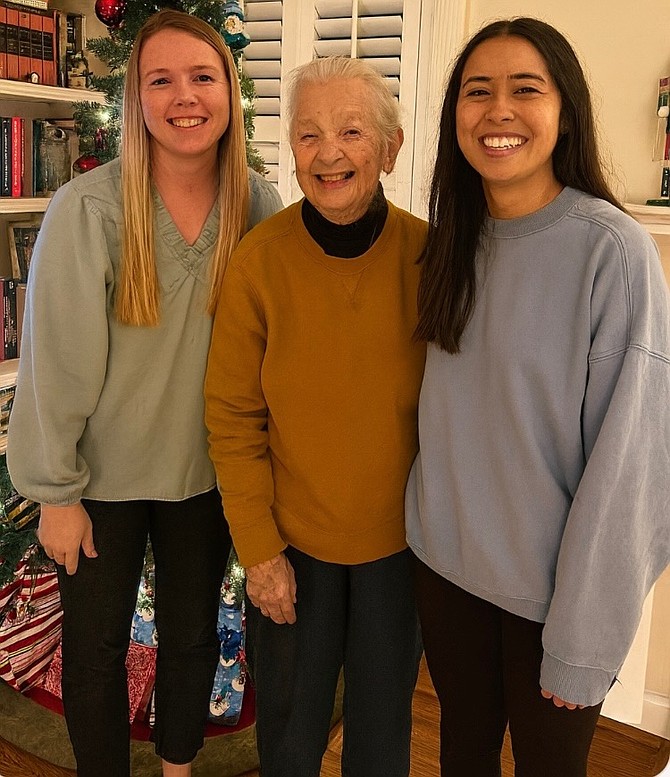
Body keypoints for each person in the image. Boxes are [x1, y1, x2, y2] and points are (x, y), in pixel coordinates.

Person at [7, 10, 281, 777]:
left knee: (192, 637)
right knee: (95, 646)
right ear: (136, 99)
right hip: (99, 487)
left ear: (231, 92)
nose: (183, 96)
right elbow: (54, 366)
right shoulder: (88, 210)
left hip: (205, 476)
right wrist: (55, 491)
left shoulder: (260, 209)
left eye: (202, 77)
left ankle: (178, 768)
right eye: (160, 79)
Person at [405, 16, 670, 777]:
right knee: (462, 757)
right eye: (476, 91)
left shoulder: (611, 252)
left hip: (553, 604)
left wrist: (582, 639)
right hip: (447, 573)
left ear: (565, 111)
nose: (498, 111)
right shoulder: (448, 242)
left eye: (526, 89)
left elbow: (634, 471)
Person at [204, 56, 426, 777]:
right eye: (309, 135)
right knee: (291, 742)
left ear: (389, 149)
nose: (329, 153)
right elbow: (232, 415)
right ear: (292, 150)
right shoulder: (259, 261)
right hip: (292, 551)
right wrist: (260, 552)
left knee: (382, 742)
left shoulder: (432, 258)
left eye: (352, 131)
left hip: (403, 551)